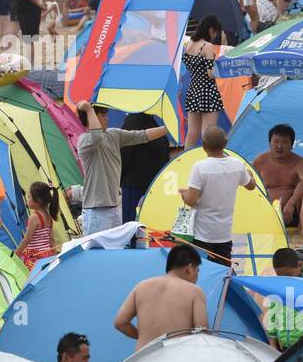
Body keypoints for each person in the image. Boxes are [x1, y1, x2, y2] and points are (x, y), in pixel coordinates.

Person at [76, 101, 170, 234]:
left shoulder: (113, 134)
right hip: (95, 210)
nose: (107, 118)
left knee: (115, 251)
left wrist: (168, 128)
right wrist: (89, 110)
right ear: (91, 118)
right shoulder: (84, 141)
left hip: (114, 208)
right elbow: (96, 136)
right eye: (102, 115)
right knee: (98, 252)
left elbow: (142, 136)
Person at [180, 125, 257, 263]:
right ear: (225, 143)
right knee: (222, 272)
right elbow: (251, 186)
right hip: (224, 233)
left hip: (201, 234)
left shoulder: (199, 167)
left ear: (203, 146)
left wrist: (184, 195)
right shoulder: (237, 164)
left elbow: (191, 200)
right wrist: (249, 174)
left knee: (201, 271)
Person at [113, 244, 209, 351]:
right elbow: (202, 333)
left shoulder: (142, 286)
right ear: (189, 268)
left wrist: (143, 337)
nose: (197, 276)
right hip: (176, 358)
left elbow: (120, 323)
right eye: (197, 271)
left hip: (143, 358)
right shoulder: (195, 291)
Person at [251, 124, 303, 226]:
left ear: (292, 145)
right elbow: (248, 183)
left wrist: (291, 204)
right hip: (266, 213)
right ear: (269, 143)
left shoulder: (300, 162)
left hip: (292, 214)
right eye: (276, 142)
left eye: (284, 142)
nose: (279, 146)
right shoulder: (260, 160)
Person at [182, 15, 225, 149]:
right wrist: (222, 69)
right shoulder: (207, 46)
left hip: (193, 89)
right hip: (207, 91)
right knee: (208, 132)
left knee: (192, 132)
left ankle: (184, 159)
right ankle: (209, 160)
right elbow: (210, 73)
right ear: (211, 29)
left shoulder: (190, 44)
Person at [119, 112, 171, 224]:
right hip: (148, 184)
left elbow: (124, 153)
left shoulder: (134, 121)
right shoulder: (147, 122)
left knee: (134, 225)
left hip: (136, 183)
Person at [264, 248, 303, 351]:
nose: (285, 280)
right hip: (285, 348)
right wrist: (272, 343)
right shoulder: (279, 289)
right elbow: (273, 315)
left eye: (288, 275)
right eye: (280, 276)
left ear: (300, 265)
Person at [16, 181, 59, 270]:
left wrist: (16, 253)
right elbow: (51, 239)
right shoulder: (49, 216)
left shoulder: (34, 217)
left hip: (35, 257)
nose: (27, 199)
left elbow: (27, 239)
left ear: (38, 200)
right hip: (47, 254)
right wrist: (55, 257)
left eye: (29, 197)